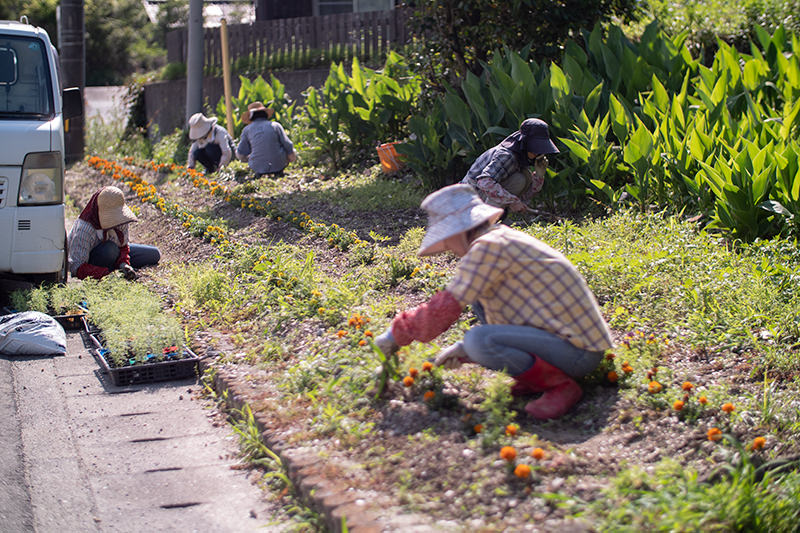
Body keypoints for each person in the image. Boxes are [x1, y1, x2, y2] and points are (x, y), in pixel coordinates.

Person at [374, 184, 613, 420]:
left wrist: (395, 335)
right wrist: (465, 351)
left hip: (578, 352)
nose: (447, 247)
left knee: (479, 339)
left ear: (459, 230)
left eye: (447, 239)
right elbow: (510, 308)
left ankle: (560, 386)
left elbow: (447, 305)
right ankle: (536, 378)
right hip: (569, 341)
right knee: (479, 306)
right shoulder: (499, 238)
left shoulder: (487, 248)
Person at [461, 118, 559, 215]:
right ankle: (485, 218)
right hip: (467, 200)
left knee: (525, 177)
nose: (538, 153)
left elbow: (524, 198)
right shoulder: (507, 156)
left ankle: (497, 216)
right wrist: (513, 201)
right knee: (519, 180)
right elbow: (484, 182)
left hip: (477, 197)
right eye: (535, 148)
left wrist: (539, 175)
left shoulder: (520, 158)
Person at [67, 186, 161, 280]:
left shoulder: (120, 219)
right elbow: (76, 267)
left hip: (114, 253)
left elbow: (123, 246)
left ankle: (117, 268)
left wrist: (124, 264)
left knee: (153, 254)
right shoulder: (85, 229)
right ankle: (108, 270)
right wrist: (107, 274)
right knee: (110, 249)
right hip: (92, 259)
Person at [236, 101, 297, 178]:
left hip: (257, 166)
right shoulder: (275, 126)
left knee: (241, 152)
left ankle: (259, 170)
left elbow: (241, 152)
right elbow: (288, 144)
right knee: (289, 150)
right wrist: (291, 157)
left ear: (251, 117)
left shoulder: (247, 130)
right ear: (265, 114)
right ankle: (279, 171)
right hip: (279, 164)